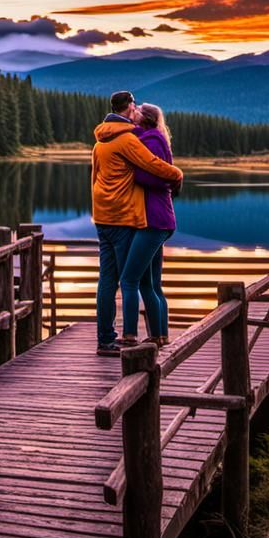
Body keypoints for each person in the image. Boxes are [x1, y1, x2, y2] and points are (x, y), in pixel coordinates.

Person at [91, 90, 183, 357]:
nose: (137, 109)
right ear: (129, 107)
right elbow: (154, 165)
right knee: (130, 280)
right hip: (123, 218)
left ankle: (106, 340)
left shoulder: (99, 141)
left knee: (107, 280)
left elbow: (94, 178)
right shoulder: (127, 141)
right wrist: (177, 174)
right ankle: (131, 336)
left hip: (102, 217)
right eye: (134, 105)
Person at [123, 103, 176, 347]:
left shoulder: (153, 140)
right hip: (156, 219)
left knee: (129, 279)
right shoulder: (150, 138)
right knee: (151, 283)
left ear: (146, 118)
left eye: (138, 110)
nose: (133, 113)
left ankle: (135, 335)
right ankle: (161, 335)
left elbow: (153, 176)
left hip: (153, 221)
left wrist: (131, 169)